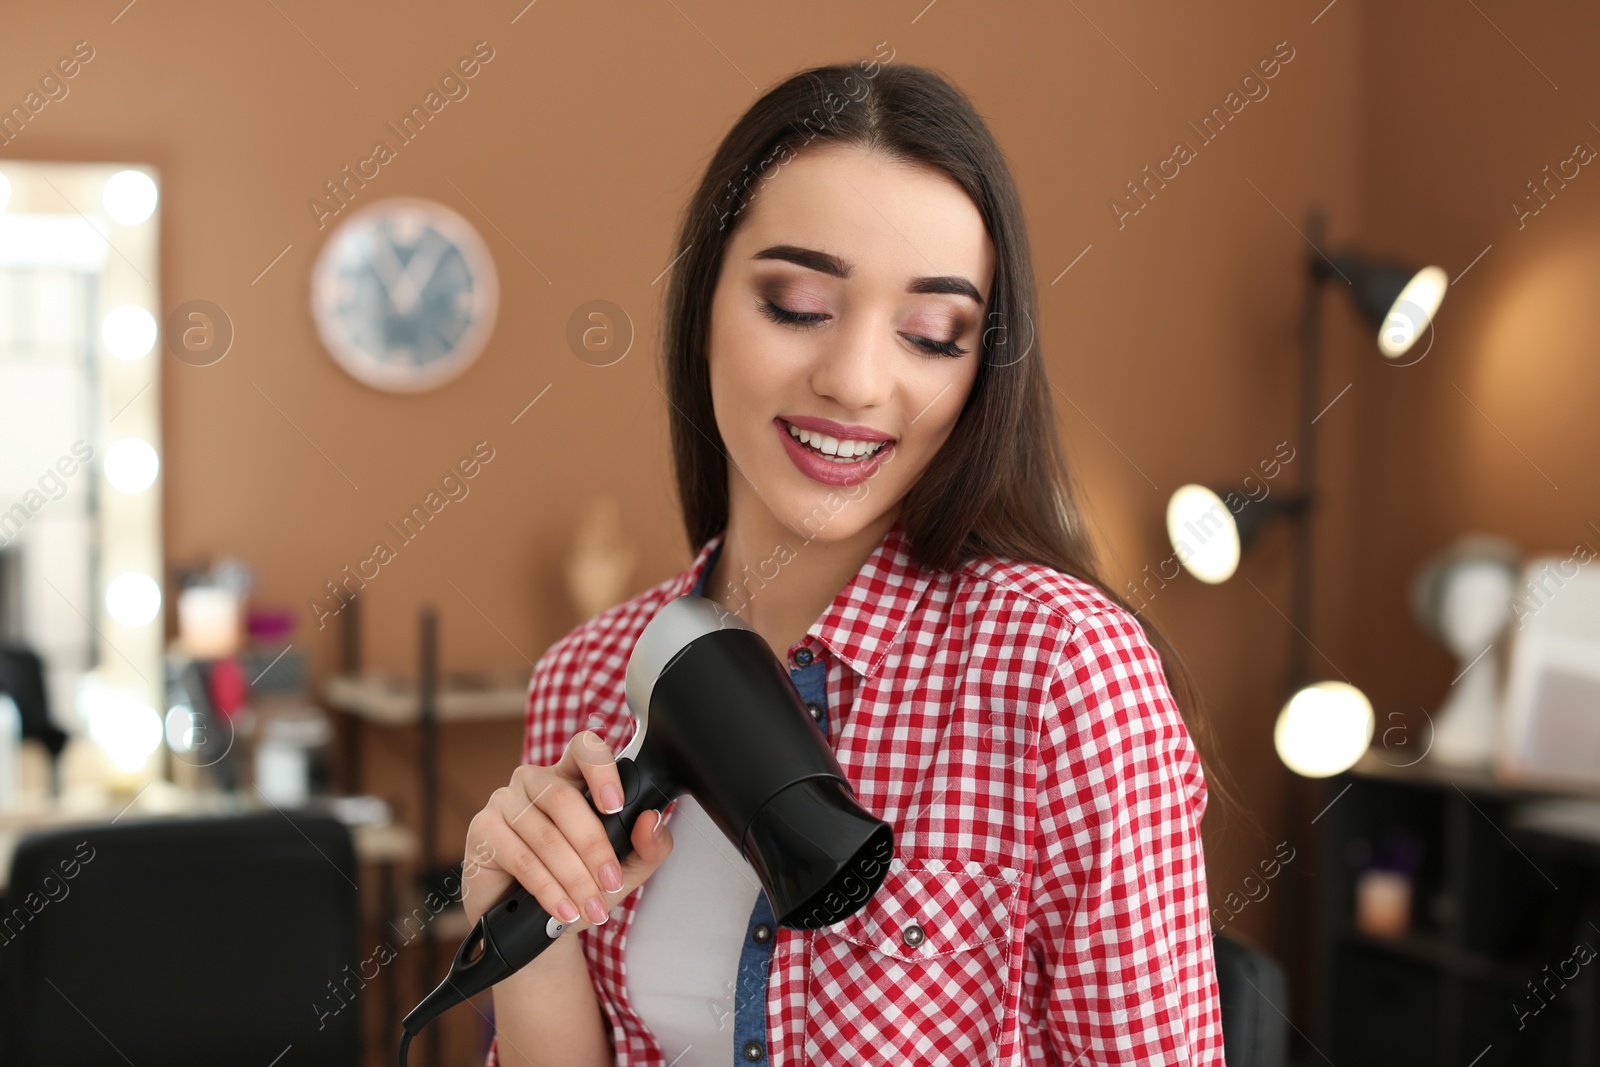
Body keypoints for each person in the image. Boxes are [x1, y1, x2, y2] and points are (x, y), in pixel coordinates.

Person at [464, 58, 1227, 1066]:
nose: (858, 380)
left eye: (930, 332)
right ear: (703, 304)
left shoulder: (1064, 671)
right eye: (796, 303)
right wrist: (519, 930)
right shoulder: (588, 677)